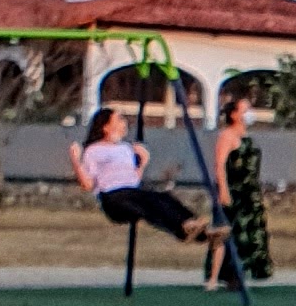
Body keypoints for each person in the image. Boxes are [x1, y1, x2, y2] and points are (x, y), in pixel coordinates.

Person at [70, 104, 211, 245]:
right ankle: (183, 230)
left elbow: (133, 180)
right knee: (147, 206)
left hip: (132, 191)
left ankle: (192, 225)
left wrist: (142, 162)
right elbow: (88, 185)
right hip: (113, 197)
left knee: (163, 199)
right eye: (119, 120)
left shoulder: (125, 148)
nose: (124, 123)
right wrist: (76, 161)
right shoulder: (94, 151)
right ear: (105, 127)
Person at [205, 87, 274, 287]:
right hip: (234, 192)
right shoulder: (226, 136)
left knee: (251, 232)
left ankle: (245, 271)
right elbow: (219, 165)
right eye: (245, 110)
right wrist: (224, 191)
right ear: (234, 115)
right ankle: (224, 274)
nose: (249, 114)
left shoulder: (247, 138)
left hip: (249, 193)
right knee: (231, 232)